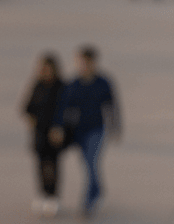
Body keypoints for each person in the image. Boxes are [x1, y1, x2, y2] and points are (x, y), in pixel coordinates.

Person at [51, 46, 120, 218]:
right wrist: (58, 126)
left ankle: (89, 201)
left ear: (93, 63)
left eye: (86, 62)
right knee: (87, 165)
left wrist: (115, 127)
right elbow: (62, 107)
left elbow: (112, 106)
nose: (82, 65)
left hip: (96, 130)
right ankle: (97, 190)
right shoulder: (73, 84)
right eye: (79, 62)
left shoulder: (103, 83)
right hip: (79, 131)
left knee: (91, 162)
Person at [23, 53, 66, 217]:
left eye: (47, 68)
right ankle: (42, 194)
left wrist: (60, 128)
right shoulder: (37, 85)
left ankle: (53, 196)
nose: (44, 71)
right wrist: (30, 119)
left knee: (53, 165)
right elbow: (26, 107)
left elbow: (65, 109)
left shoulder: (61, 86)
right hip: (39, 132)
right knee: (40, 165)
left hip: (55, 132)